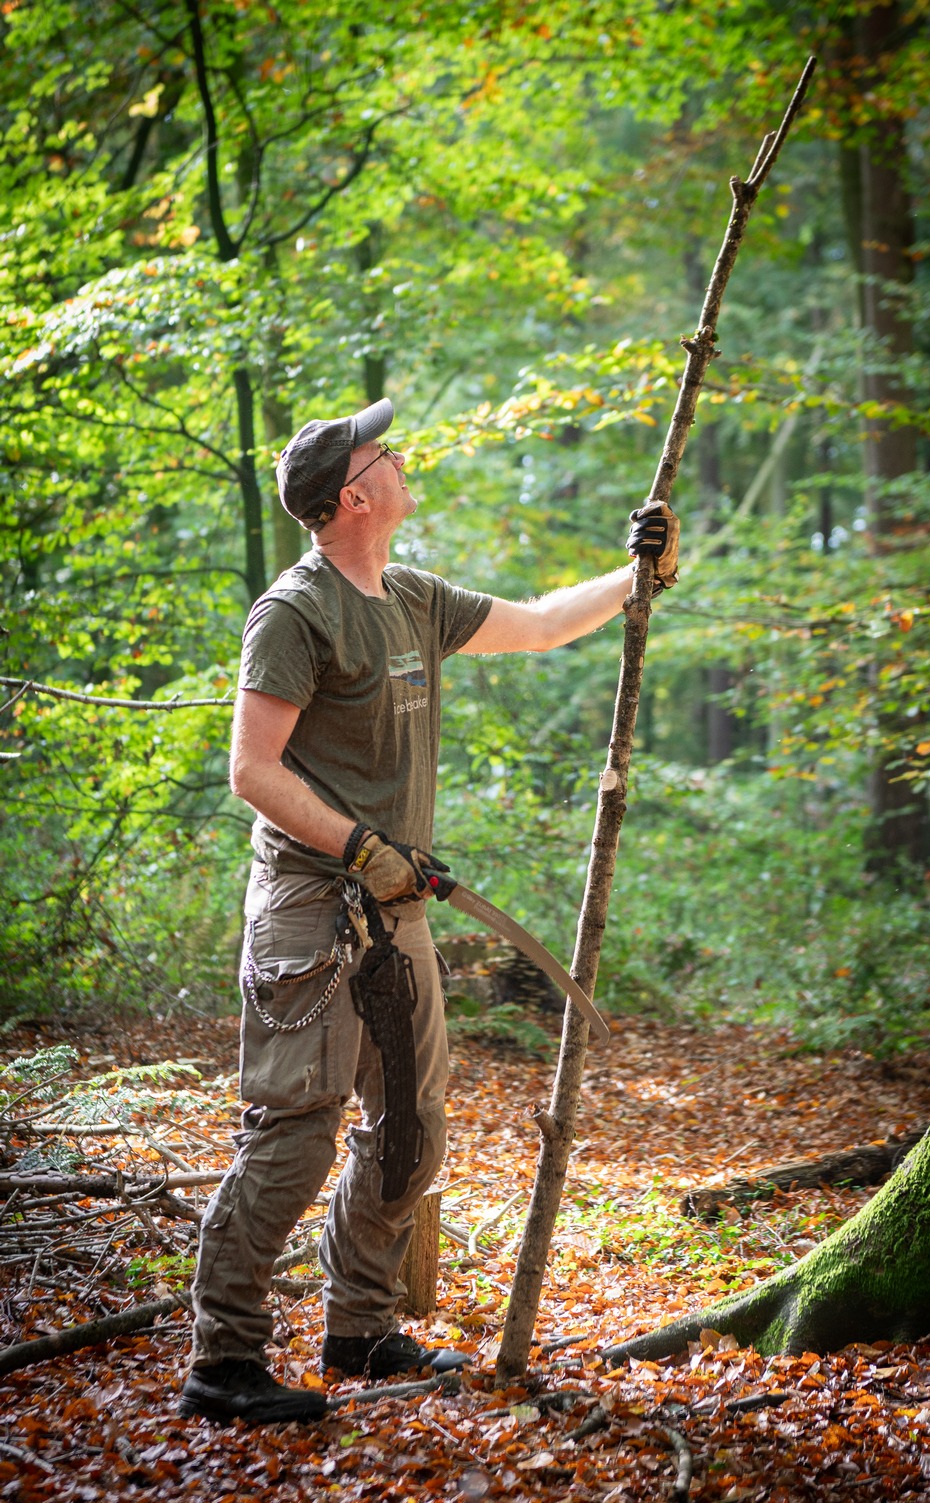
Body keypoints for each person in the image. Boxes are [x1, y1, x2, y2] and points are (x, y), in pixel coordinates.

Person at [178, 398, 678, 1424]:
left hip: (396, 914)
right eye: (385, 451)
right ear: (352, 495)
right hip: (311, 914)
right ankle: (221, 1362)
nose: (403, 456)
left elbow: (540, 625)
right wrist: (361, 847)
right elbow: (251, 770)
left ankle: (358, 1331)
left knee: (410, 1131)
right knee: (294, 1137)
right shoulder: (294, 611)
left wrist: (644, 577)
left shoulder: (409, 597)